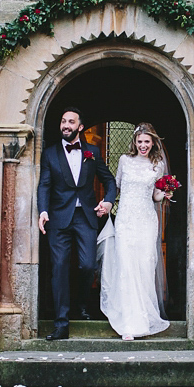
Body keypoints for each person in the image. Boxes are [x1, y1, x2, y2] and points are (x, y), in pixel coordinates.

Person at [37, 108, 117, 340]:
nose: (66, 125)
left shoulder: (92, 152)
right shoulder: (50, 154)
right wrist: (42, 210)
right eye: (63, 121)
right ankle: (61, 324)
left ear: (80, 127)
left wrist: (109, 202)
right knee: (59, 267)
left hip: (86, 217)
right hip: (58, 217)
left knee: (87, 265)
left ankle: (81, 304)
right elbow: (44, 185)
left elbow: (109, 180)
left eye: (71, 122)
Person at [99, 122, 172, 340]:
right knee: (126, 266)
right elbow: (117, 187)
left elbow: (155, 196)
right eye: (139, 141)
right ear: (134, 141)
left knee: (144, 266)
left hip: (147, 220)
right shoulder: (124, 161)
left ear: (153, 142)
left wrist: (165, 194)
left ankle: (143, 318)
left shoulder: (157, 164)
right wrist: (107, 203)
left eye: (146, 142)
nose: (142, 145)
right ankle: (128, 324)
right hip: (126, 219)